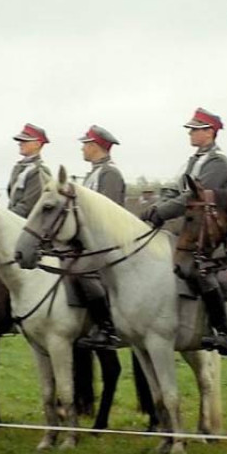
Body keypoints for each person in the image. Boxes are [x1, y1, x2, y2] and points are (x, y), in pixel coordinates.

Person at [143, 107, 227, 356]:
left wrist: (163, 212)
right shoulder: (194, 161)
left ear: (210, 132)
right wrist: (155, 207)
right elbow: (175, 189)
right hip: (195, 228)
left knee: (199, 269)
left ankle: (221, 330)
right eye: (191, 129)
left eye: (195, 129)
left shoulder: (218, 162)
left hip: (216, 232)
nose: (190, 134)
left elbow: (197, 196)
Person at [73, 125, 125, 349]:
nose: (82, 149)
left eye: (85, 144)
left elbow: (107, 212)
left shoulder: (110, 174)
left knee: (83, 271)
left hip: (106, 241)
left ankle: (106, 327)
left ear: (95, 146)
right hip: (88, 239)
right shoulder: (92, 174)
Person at [7, 123, 51, 217]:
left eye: (25, 141)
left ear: (37, 144)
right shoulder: (19, 168)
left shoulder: (39, 170)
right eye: (20, 141)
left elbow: (29, 206)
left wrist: (8, 217)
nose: (20, 144)